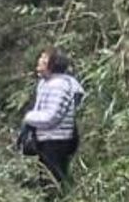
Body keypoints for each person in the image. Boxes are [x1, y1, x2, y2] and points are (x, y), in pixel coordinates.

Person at [18, 47, 85, 191]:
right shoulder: (46, 83)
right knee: (49, 180)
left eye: (44, 60)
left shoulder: (58, 86)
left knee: (53, 182)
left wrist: (29, 118)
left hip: (57, 140)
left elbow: (52, 116)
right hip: (48, 138)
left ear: (53, 65)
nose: (39, 62)